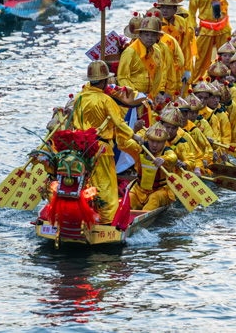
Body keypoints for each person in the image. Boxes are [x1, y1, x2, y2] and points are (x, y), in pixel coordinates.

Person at [69, 59, 142, 224]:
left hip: (80, 148)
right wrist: (134, 136)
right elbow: (118, 123)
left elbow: (72, 122)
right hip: (100, 148)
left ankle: (82, 214)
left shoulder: (79, 98)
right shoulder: (105, 100)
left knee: (84, 181)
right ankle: (107, 220)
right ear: (104, 81)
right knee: (105, 185)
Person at [124, 121, 178, 211]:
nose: (154, 145)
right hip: (139, 189)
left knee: (154, 198)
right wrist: (131, 132)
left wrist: (164, 159)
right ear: (147, 139)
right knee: (128, 199)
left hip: (160, 191)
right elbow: (124, 144)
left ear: (164, 142)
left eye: (158, 142)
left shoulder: (167, 151)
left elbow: (173, 157)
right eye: (152, 141)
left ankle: (142, 217)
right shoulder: (141, 148)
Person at [117, 13, 165, 98]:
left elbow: (158, 76)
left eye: (153, 35)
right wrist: (135, 96)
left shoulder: (157, 51)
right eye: (146, 35)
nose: (150, 38)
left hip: (149, 98)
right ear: (140, 35)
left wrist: (155, 94)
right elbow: (122, 77)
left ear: (157, 37)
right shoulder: (130, 52)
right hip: (133, 99)